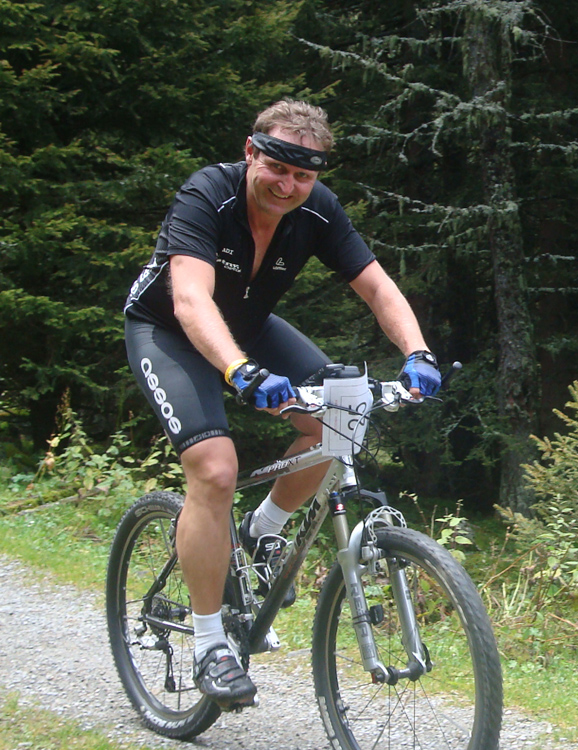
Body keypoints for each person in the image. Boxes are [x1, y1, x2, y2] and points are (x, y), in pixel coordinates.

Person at [123, 100, 441, 709]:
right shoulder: (207, 195)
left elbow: (377, 286)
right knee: (215, 469)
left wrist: (418, 353)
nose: (288, 185)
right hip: (169, 331)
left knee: (341, 420)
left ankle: (261, 529)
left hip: (248, 326)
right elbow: (190, 300)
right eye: (276, 167)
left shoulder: (317, 209)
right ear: (251, 153)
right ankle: (210, 645)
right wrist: (239, 370)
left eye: (303, 175)